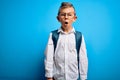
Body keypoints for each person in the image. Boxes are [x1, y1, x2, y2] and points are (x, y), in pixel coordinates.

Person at [44, 2, 88, 80]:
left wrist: (83, 77)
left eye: (69, 14)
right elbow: (49, 57)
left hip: (73, 78)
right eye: (63, 14)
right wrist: (49, 77)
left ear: (74, 18)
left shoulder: (79, 36)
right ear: (58, 18)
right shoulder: (53, 35)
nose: (66, 17)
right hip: (57, 78)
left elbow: (83, 59)